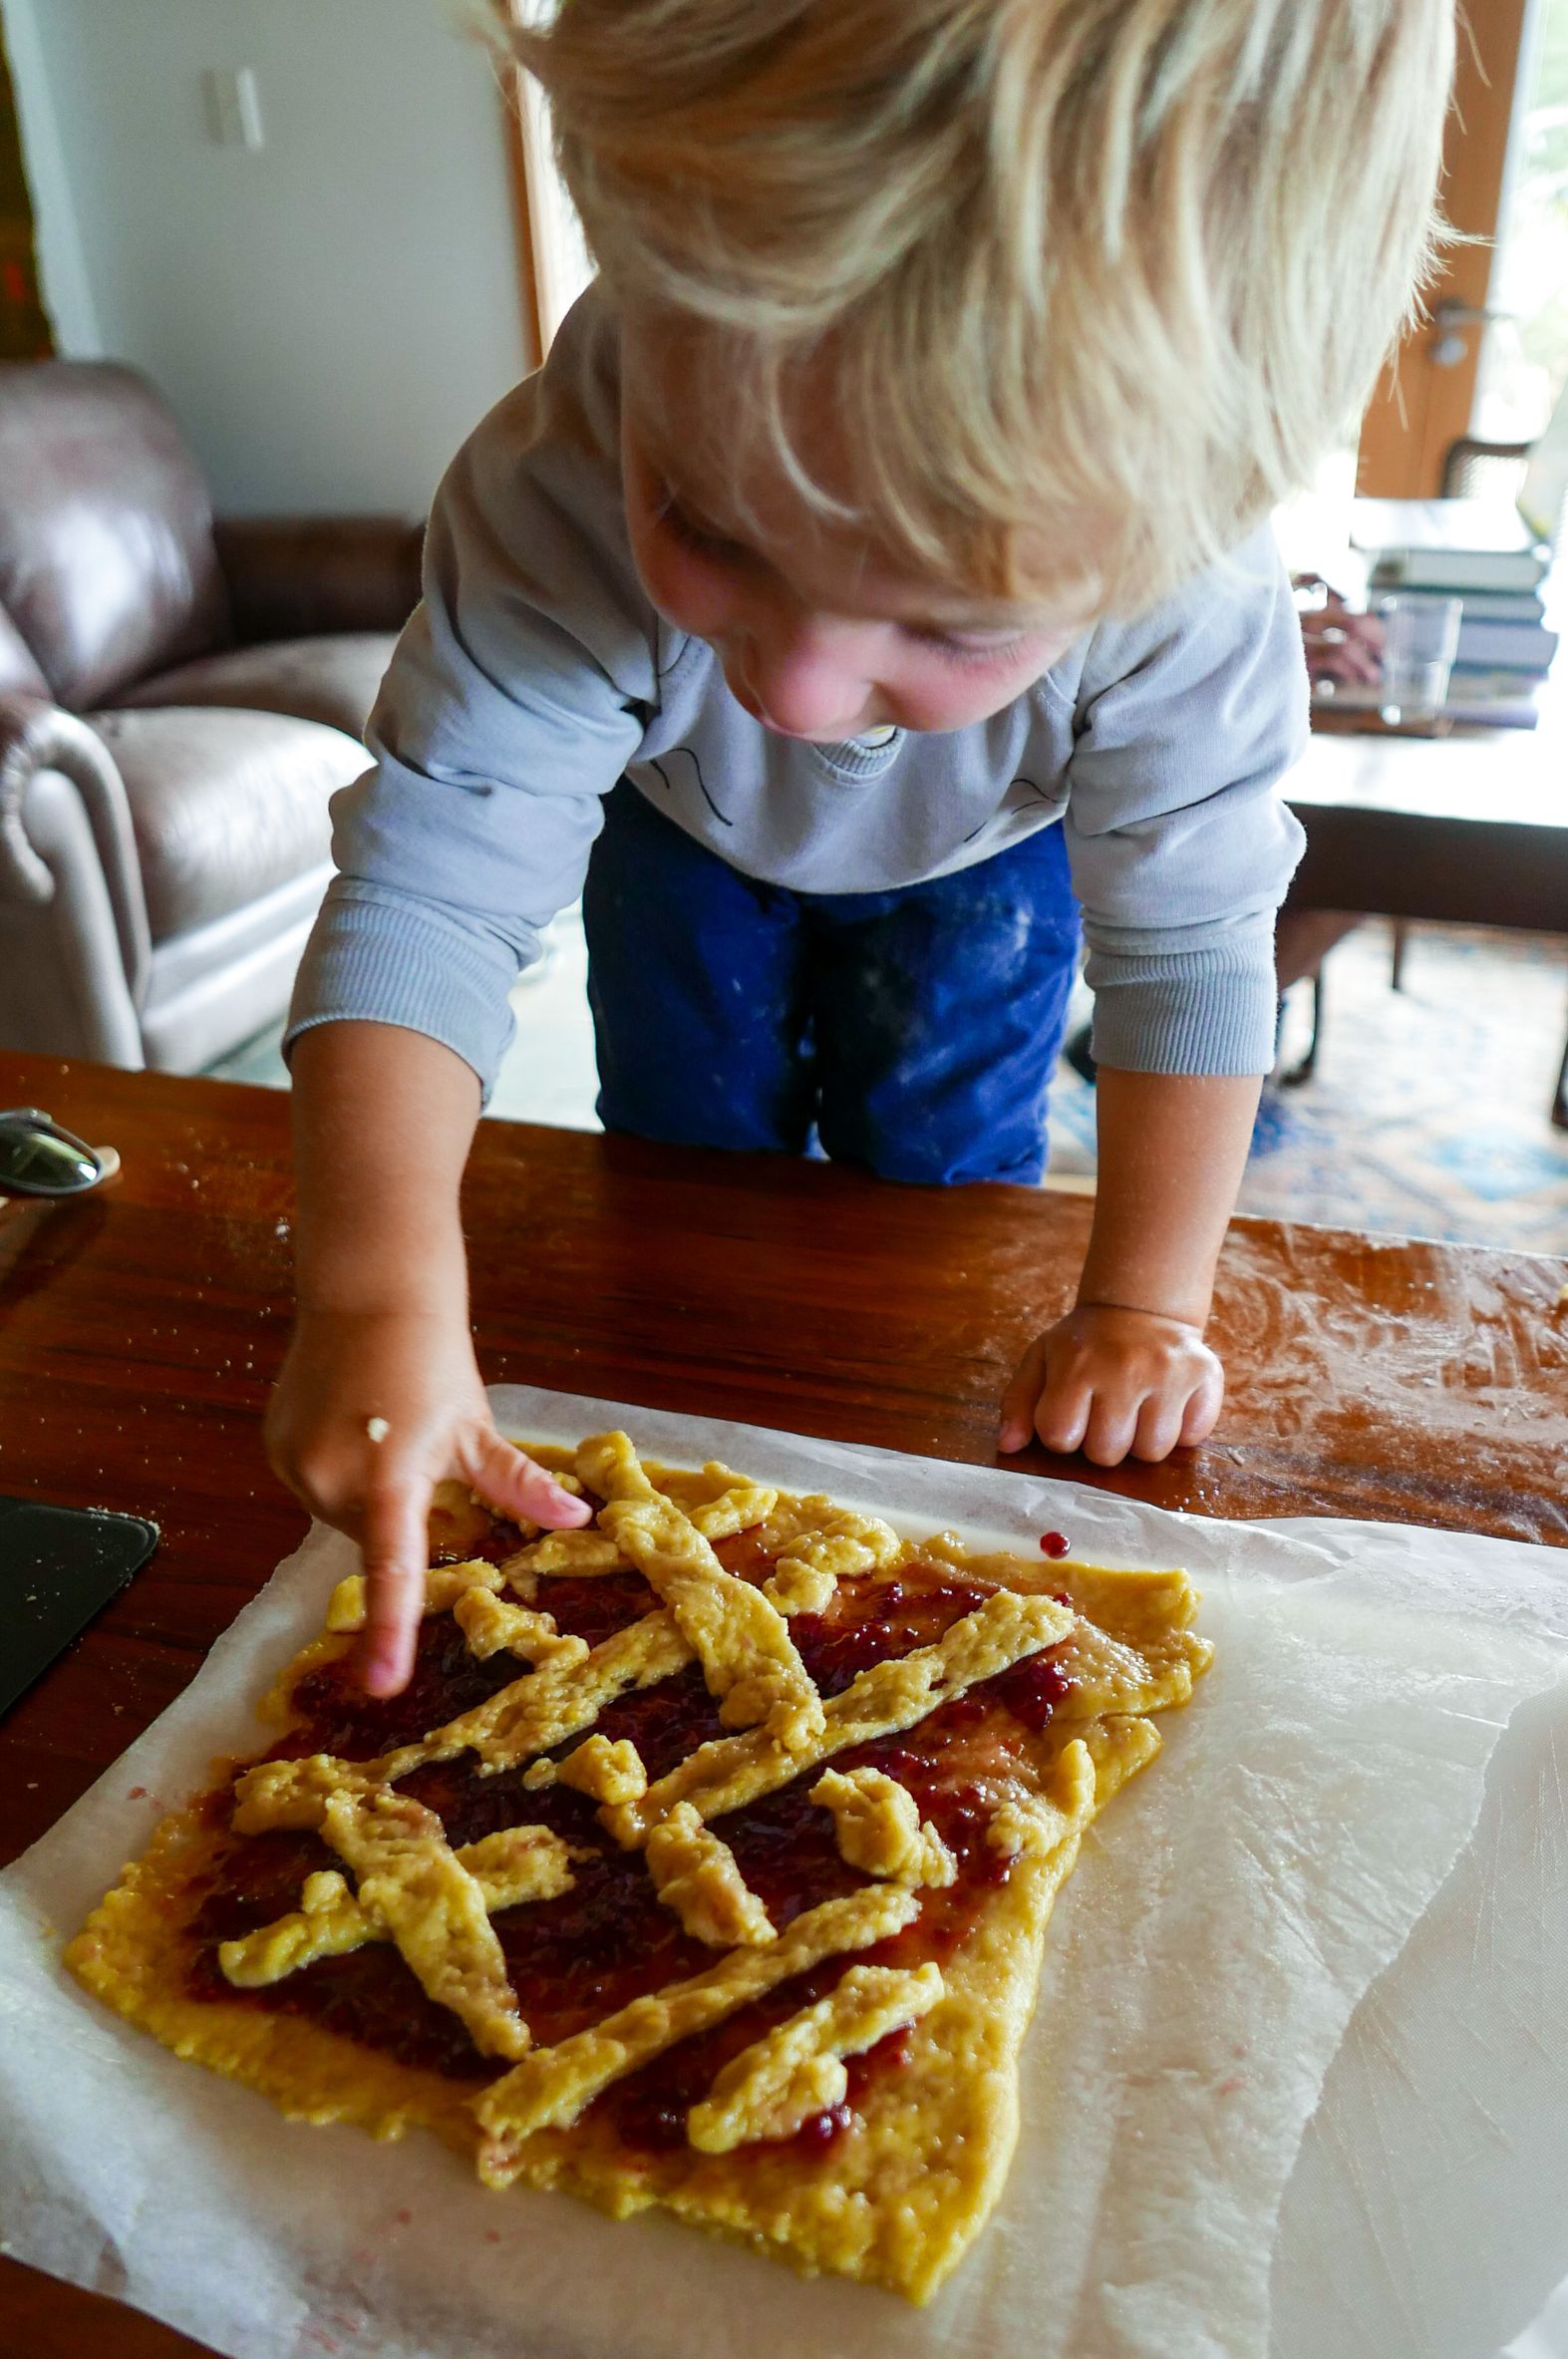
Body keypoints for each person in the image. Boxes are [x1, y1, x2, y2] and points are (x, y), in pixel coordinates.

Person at [267, 0, 1449, 1695]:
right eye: (708, 521)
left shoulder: (1192, 590)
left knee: (939, 1192)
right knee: (684, 1180)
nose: (803, 697)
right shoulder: (555, 481)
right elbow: (431, 888)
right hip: (677, 833)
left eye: (956, 625)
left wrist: (1143, 1309)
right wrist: (376, 1295)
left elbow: (1189, 950)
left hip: (984, 864)